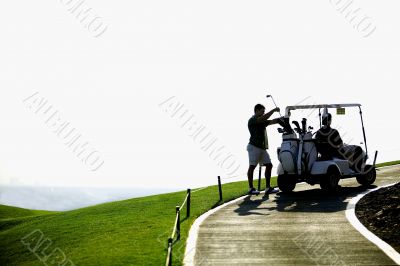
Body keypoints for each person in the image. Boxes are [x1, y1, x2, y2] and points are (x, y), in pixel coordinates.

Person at [247, 104, 282, 195]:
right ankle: (250, 188)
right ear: (257, 110)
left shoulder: (262, 121)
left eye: (264, 111)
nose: (263, 113)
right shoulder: (252, 120)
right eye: (262, 111)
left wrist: (282, 119)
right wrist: (274, 110)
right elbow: (264, 118)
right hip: (253, 147)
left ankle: (268, 188)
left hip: (261, 148)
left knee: (269, 165)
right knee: (252, 166)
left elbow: (272, 121)